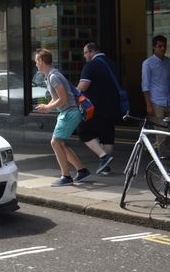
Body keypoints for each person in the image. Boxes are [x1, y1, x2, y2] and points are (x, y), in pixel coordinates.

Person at [35, 49, 92, 186]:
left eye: (36, 61)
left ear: (42, 61)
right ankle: (82, 170)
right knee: (60, 144)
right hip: (68, 112)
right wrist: (47, 106)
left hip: (69, 112)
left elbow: (63, 99)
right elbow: (57, 98)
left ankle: (66, 177)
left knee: (55, 143)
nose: (36, 64)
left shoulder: (54, 76)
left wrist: (48, 107)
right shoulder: (51, 75)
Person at [76, 42, 116, 175]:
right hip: (112, 105)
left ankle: (104, 156)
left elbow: (84, 85)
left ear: (92, 52)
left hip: (95, 106)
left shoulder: (91, 65)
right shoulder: (112, 63)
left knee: (83, 130)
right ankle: (106, 167)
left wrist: (74, 92)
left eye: (85, 53)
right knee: (107, 135)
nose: (85, 56)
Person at [142, 35, 170, 157]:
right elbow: (145, 86)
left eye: (164, 46)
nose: (162, 49)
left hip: (169, 101)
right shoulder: (148, 63)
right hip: (156, 101)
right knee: (161, 135)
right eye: (159, 46)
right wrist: (148, 105)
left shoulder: (168, 61)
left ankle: (153, 148)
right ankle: (164, 163)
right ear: (154, 47)